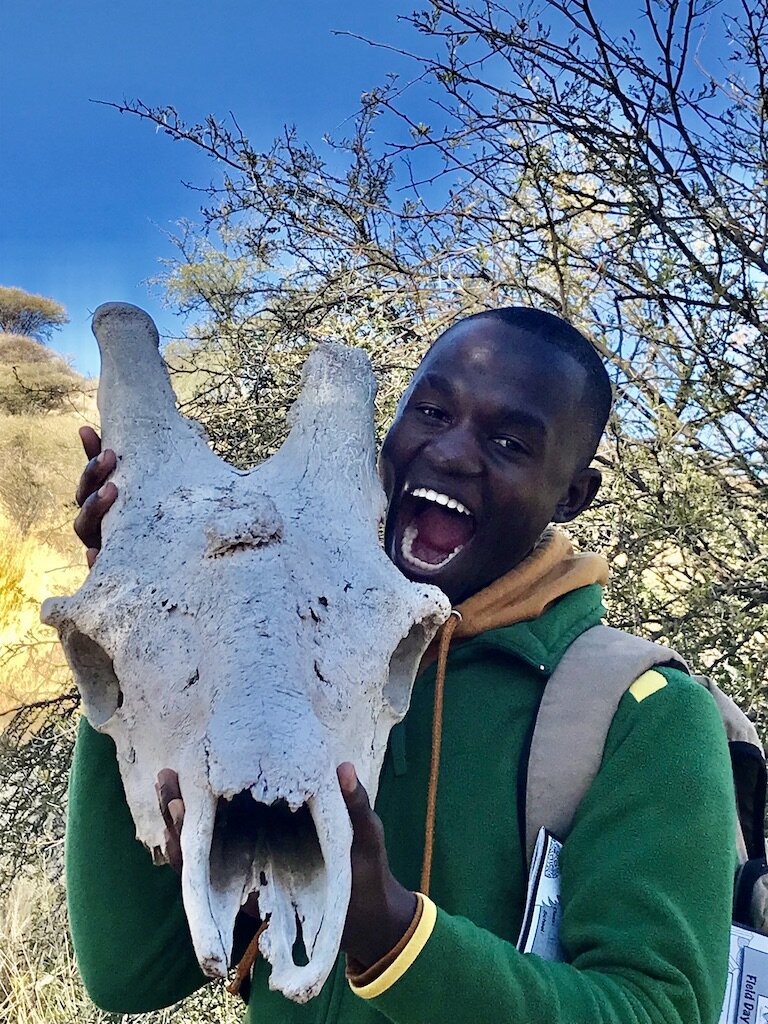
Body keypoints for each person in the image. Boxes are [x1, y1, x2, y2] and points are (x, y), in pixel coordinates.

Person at [67, 307, 735, 1023]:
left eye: (510, 441)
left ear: (573, 494)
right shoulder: (292, 651)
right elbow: (128, 974)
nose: (451, 453)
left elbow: (658, 1008)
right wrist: (132, 625)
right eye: (432, 411)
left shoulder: (644, 712)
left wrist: (393, 936)